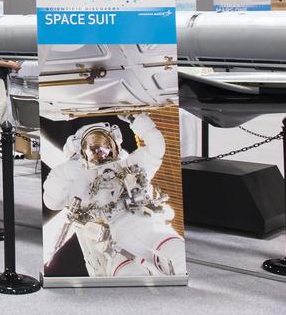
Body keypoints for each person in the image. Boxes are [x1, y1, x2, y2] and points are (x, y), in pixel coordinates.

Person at [43, 113, 185, 277]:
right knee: (131, 277)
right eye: (93, 149)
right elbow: (51, 202)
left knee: (176, 252)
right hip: (114, 244)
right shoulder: (79, 180)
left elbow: (156, 148)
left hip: (149, 228)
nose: (101, 153)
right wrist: (63, 173)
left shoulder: (130, 165)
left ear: (115, 145)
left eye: (105, 146)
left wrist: (136, 120)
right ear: (82, 152)